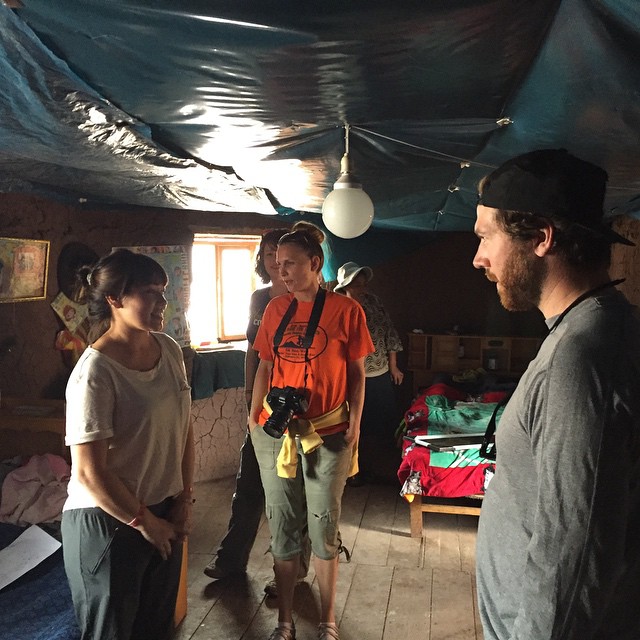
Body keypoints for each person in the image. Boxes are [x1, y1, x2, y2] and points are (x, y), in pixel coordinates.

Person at [472, 148, 640, 640]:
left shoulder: (580, 359)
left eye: (485, 236)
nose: (478, 258)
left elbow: (576, 554)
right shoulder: (596, 327)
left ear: (541, 238)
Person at [61, 248, 195, 640]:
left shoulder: (168, 349)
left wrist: (184, 499)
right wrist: (143, 521)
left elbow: (184, 428)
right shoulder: (95, 373)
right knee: (113, 632)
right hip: (109, 519)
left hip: (164, 511)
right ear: (114, 299)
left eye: (163, 291)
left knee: (157, 628)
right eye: (150, 292)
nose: (162, 301)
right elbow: (89, 472)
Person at [249, 222, 373, 640]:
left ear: (315, 263)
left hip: (329, 431)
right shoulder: (275, 309)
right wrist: (254, 416)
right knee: (282, 524)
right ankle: (284, 621)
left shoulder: (346, 311)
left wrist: (356, 421)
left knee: (323, 525)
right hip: (276, 431)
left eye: (290, 263)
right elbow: (265, 364)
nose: (281, 271)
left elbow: (357, 373)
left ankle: (327, 620)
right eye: (277, 263)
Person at [204, 228, 311, 597]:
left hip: (303, 409)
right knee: (248, 483)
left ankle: (292, 570)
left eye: (283, 257)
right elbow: (254, 352)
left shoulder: (312, 301)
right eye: (269, 256)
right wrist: (251, 398)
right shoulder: (259, 299)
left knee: (297, 492)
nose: (276, 264)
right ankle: (231, 559)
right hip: (264, 407)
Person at [334, 262, 404, 485]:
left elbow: (389, 332)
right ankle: (352, 471)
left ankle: (372, 466)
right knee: (353, 423)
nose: (362, 288)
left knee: (378, 423)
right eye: (357, 284)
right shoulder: (338, 306)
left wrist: (393, 366)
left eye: (364, 283)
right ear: (346, 285)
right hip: (350, 376)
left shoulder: (374, 302)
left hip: (379, 372)